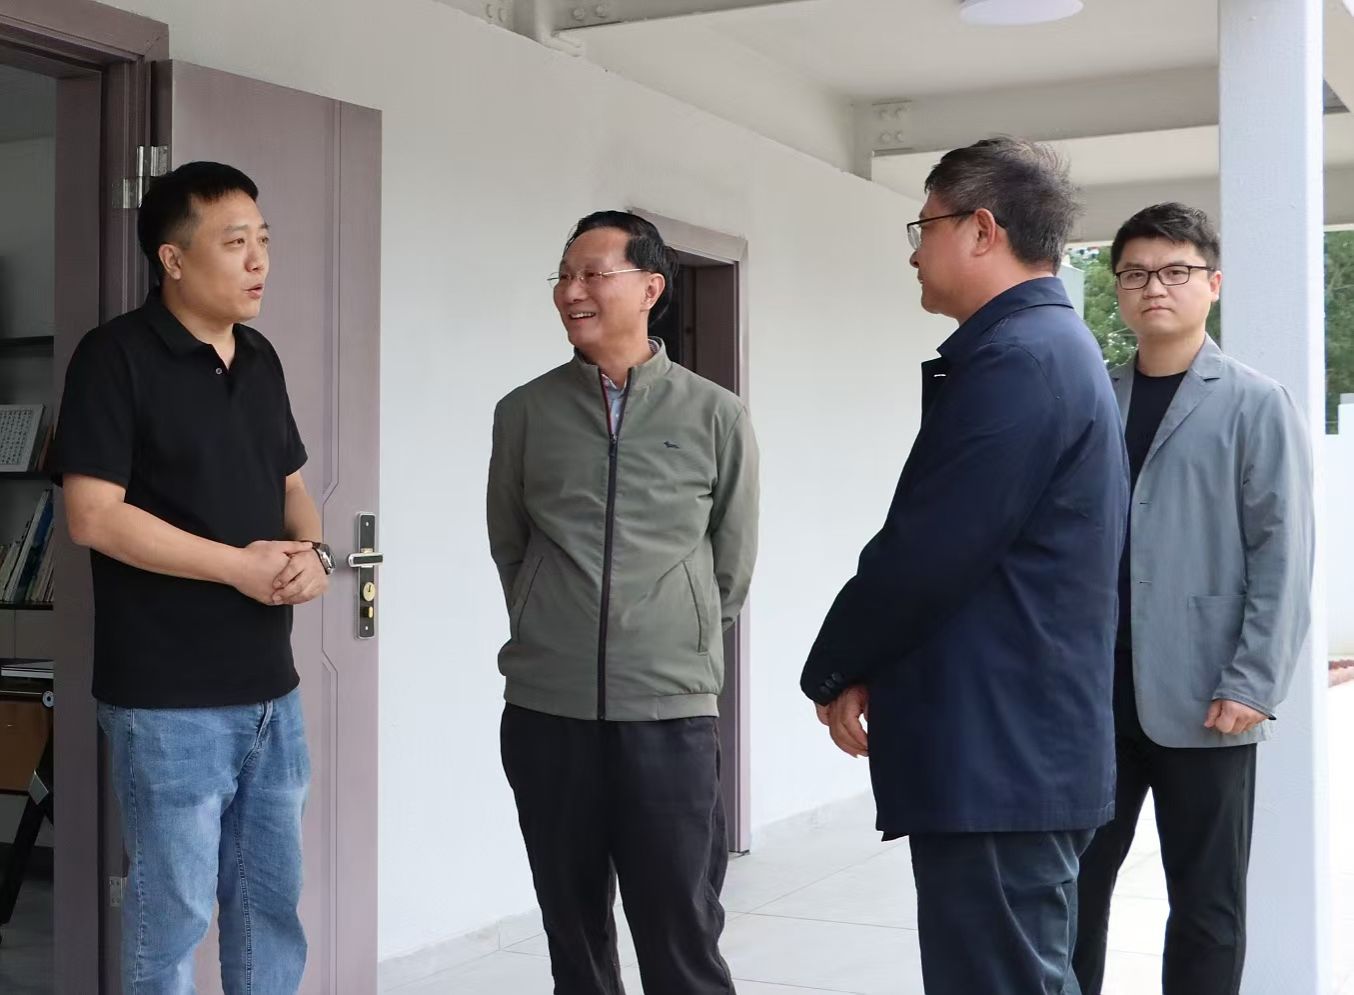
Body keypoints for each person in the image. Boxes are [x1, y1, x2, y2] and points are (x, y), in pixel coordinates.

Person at [799, 137, 1129, 995]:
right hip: (1014, 745)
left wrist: (835, 664)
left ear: (983, 230)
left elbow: (931, 550)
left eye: (927, 226)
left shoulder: (1022, 360)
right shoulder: (1042, 349)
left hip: (1002, 753)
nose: (915, 250)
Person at [50, 161, 331, 994]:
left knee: (270, 911)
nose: (259, 260)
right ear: (172, 259)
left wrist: (312, 554)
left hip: (271, 690)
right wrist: (239, 568)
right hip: (167, 699)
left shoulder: (262, 357)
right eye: (235, 242)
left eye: (263, 240)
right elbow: (93, 515)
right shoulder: (114, 357)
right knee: (171, 923)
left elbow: (291, 486)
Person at [487, 210, 759, 995]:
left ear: (650, 289)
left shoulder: (716, 414)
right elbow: (512, 544)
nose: (572, 290)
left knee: (682, 939)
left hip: (669, 716)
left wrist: (673, 639)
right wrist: (548, 621)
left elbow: (731, 564)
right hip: (547, 711)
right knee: (573, 940)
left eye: (592, 274)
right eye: (564, 275)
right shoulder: (525, 412)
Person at [1073, 203, 1314, 995]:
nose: (1155, 287)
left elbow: (1282, 551)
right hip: (1092, 693)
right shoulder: (1092, 396)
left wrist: (1253, 679)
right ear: (1118, 287)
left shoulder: (1254, 401)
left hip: (1210, 695)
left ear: (1212, 283)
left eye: (1175, 271)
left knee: (1207, 905)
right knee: (1074, 892)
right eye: (1136, 273)